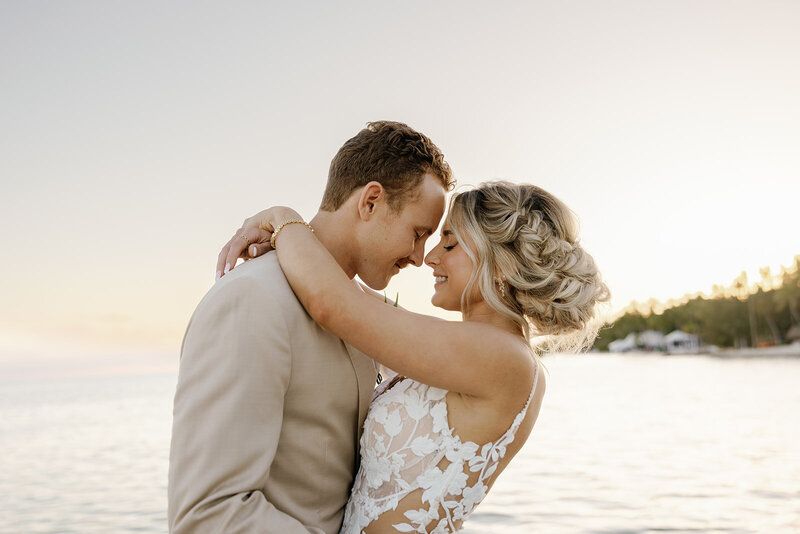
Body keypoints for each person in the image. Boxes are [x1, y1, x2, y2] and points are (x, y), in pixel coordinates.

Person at [222, 181, 609, 533]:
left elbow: (333, 303)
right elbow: (350, 296)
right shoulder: (477, 347)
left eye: (451, 244)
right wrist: (285, 250)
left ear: (502, 266)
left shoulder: (503, 357)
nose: (430, 257)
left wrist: (282, 219)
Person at [168, 121, 454, 534]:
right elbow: (209, 513)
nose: (417, 256)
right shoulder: (251, 301)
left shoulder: (362, 315)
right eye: (418, 233)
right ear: (371, 202)